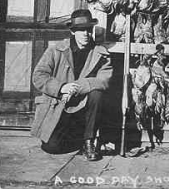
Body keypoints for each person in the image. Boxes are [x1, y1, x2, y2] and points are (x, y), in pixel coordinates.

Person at [31, 9, 113, 161]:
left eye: (89, 29)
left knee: (97, 94)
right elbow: (39, 76)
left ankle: (89, 141)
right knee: (52, 147)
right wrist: (62, 87)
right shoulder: (56, 50)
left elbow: (104, 80)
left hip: (84, 108)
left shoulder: (101, 53)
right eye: (81, 30)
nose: (86, 34)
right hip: (59, 106)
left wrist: (76, 86)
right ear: (73, 31)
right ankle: (78, 139)